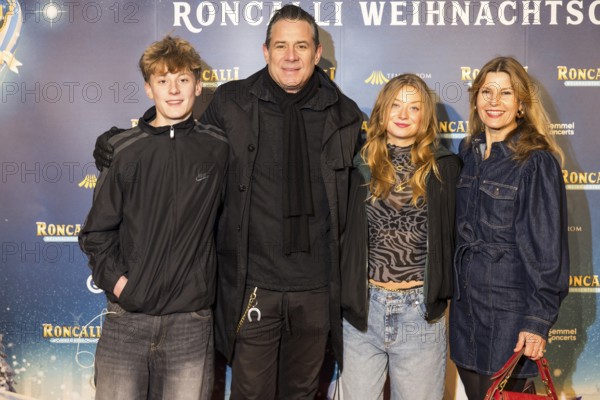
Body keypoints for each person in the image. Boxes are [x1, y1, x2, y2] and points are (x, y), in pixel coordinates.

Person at [92, 5, 363, 399]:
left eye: (301, 46)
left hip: (317, 289)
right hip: (252, 287)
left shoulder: (345, 114)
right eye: (281, 45)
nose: (291, 56)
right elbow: (180, 128)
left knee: (303, 392)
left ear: (317, 53)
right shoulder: (232, 102)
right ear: (265, 50)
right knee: (249, 392)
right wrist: (120, 137)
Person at [79, 36, 228, 400]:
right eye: (163, 81)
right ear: (149, 89)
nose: (173, 90)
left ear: (197, 84)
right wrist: (121, 286)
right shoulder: (124, 150)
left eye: (182, 79)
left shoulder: (219, 148)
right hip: (127, 320)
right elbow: (96, 234)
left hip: (190, 324)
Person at [450, 56, 569, 399]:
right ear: (475, 98)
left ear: (520, 104)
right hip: (466, 316)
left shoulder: (536, 160)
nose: (494, 102)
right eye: (487, 91)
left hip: (510, 318)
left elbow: (547, 250)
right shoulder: (468, 151)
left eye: (505, 93)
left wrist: (537, 321)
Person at [339, 74, 461, 399]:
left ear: (425, 117)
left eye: (414, 107)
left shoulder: (445, 169)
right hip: (363, 312)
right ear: (382, 110)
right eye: (396, 104)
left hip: (420, 314)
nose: (404, 114)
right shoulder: (357, 166)